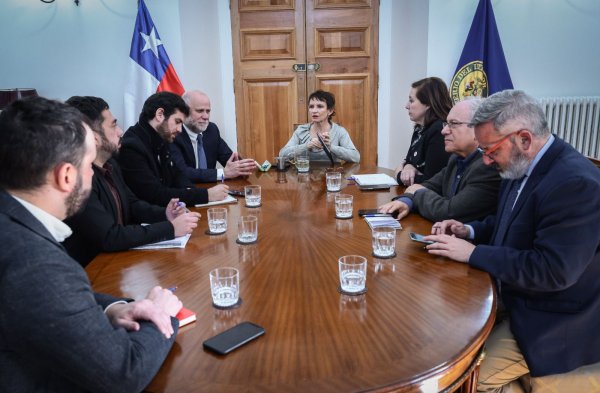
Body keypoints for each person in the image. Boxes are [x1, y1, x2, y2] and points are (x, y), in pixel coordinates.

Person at [0, 97, 183, 392]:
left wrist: (114, 308)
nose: (93, 173)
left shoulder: (12, 221)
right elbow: (124, 373)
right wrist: (161, 313)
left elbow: (51, 298)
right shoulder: (35, 262)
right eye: (88, 164)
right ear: (67, 176)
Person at [424, 90, 600, 392]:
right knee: (435, 332)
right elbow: (510, 223)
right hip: (516, 294)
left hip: (553, 316)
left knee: (465, 376)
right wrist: (471, 231)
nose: (487, 161)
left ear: (525, 139)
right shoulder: (522, 163)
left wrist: (474, 253)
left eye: (490, 150)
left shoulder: (574, 183)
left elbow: (552, 270)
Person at [63, 96, 201, 266]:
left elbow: (133, 204)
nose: (120, 131)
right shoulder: (80, 177)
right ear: (93, 136)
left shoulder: (111, 164)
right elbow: (110, 236)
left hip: (121, 260)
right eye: (113, 125)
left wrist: (165, 214)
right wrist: (170, 229)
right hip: (94, 271)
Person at [379, 98, 500, 222]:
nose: (444, 131)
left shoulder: (488, 167)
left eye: (453, 124)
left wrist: (417, 193)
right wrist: (406, 201)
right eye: (446, 124)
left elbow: (448, 212)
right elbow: (429, 185)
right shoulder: (456, 159)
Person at [118, 92, 229, 206]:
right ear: (160, 115)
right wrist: (205, 195)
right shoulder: (132, 147)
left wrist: (193, 190)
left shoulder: (160, 137)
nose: (180, 130)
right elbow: (154, 194)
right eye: (177, 122)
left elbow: (177, 176)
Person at [170, 90, 256, 183]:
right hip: (186, 191)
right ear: (184, 112)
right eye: (200, 111)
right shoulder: (174, 134)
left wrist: (243, 166)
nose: (206, 116)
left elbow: (228, 158)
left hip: (212, 189)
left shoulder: (211, 130)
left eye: (208, 111)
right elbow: (182, 173)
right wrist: (223, 173)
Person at [395, 77, 452, 186]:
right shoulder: (420, 129)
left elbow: (431, 181)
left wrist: (399, 174)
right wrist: (408, 166)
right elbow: (409, 161)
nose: (407, 106)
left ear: (428, 104)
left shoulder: (439, 130)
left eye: (411, 101)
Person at [279, 90, 360, 163]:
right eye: (311, 107)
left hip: (330, 176)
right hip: (303, 176)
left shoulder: (339, 131)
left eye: (320, 106)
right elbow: (282, 156)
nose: (314, 111)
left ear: (330, 111)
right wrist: (306, 146)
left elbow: (355, 157)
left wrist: (331, 147)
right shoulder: (301, 130)